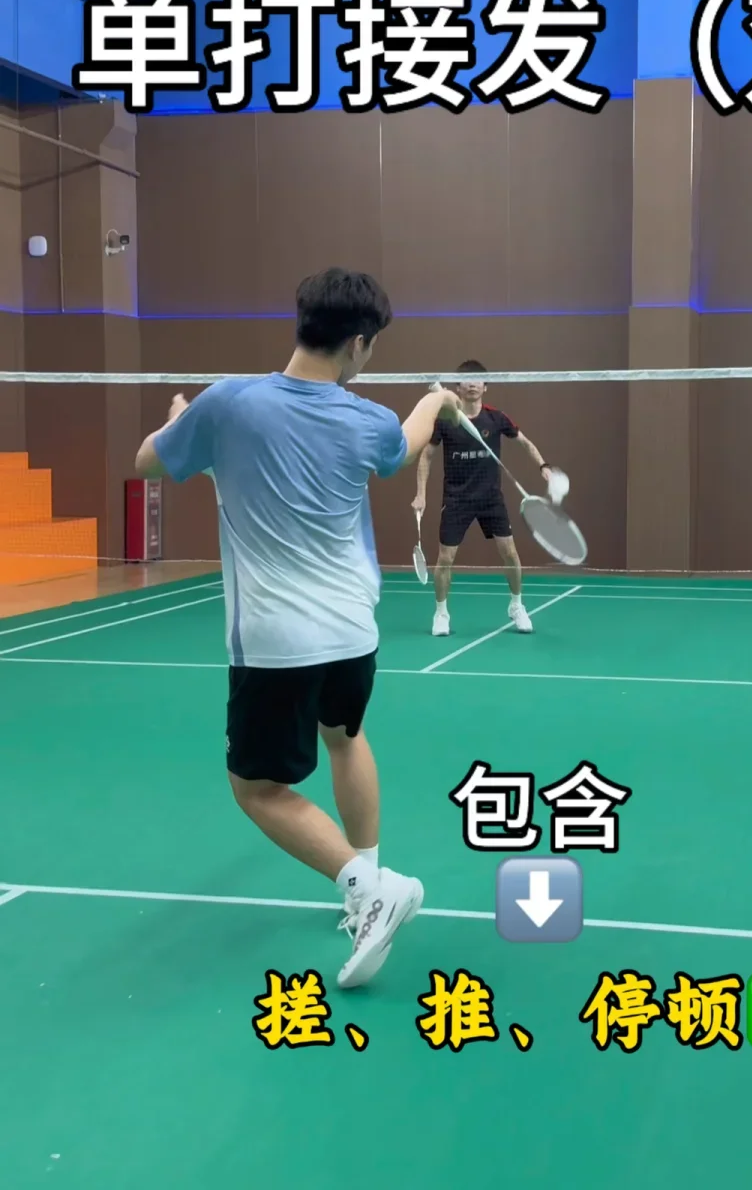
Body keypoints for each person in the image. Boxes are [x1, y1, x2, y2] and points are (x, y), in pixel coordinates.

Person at [133, 268, 461, 990]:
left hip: (277, 642)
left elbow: (148, 461)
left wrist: (179, 418)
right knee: (345, 738)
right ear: (359, 344)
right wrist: (435, 400)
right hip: (353, 633)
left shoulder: (228, 404)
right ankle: (368, 888)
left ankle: (368, 889)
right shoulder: (368, 421)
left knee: (256, 788)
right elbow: (406, 443)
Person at [412, 359, 552, 637]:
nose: (472, 384)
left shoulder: (496, 419)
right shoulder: (446, 420)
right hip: (456, 499)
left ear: (486, 386)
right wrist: (420, 494)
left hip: (490, 498)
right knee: (445, 559)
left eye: (477, 380)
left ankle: (516, 605)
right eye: (467, 380)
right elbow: (426, 456)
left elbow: (524, 442)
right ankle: (441, 613)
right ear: (458, 387)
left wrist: (543, 466)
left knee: (510, 554)